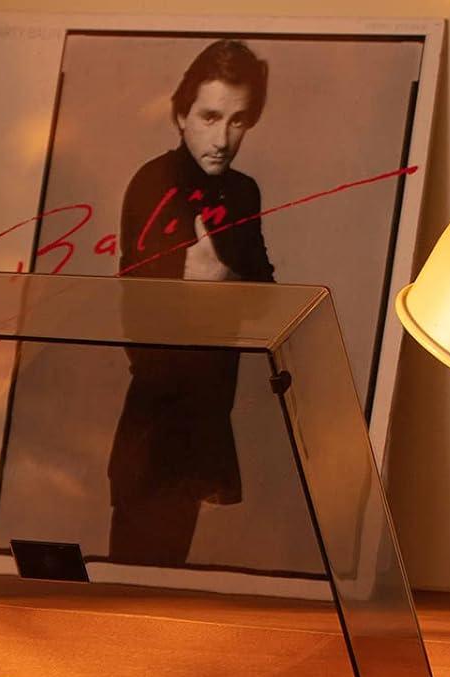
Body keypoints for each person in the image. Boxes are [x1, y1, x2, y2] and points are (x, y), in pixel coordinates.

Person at [107, 39, 275, 568]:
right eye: (208, 116)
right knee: (137, 585)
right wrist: (224, 296)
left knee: (168, 586)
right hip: (161, 426)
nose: (222, 138)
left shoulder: (244, 192)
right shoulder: (153, 184)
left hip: (207, 417)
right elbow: (147, 331)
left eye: (237, 121)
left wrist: (218, 283)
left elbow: (268, 302)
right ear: (181, 115)